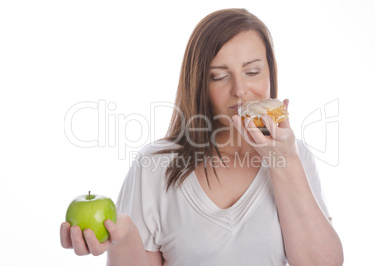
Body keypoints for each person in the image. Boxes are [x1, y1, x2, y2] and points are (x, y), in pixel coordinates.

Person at [60, 8, 344, 266]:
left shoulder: (295, 155)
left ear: (270, 72)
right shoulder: (155, 166)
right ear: (198, 84)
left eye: (253, 71)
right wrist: (123, 239)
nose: (240, 89)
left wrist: (286, 163)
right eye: (219, 76)